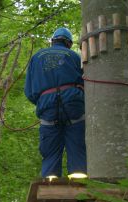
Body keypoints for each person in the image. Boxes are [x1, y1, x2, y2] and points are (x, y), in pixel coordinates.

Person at [25, 27, 87, 180]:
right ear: (69, 43)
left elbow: (29, 90)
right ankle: (80, 185)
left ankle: (50, 186)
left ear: (52, 41)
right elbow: (86, 83)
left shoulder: (37, 57)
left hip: (48, 107)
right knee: (78, 148)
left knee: (50, 152)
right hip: (74, 105)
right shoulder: (75, 56)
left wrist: (42, 102)